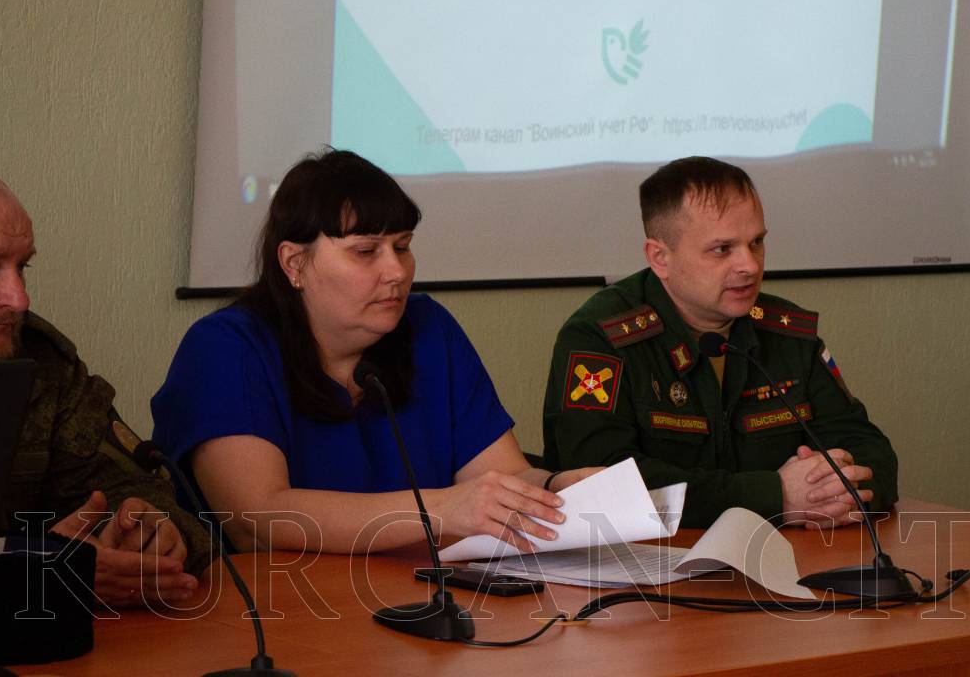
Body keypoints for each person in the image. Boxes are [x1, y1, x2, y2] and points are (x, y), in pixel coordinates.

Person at [152, 149, 596, 555]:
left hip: (423, 596)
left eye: (402, 246)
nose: (396, 271)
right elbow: (259, 520)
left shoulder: (428, 328)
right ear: (294, 263)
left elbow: (501, 476)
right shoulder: (225, 348)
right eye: (366, 251)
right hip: (283, 602)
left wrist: (557, 486)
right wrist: (441, 509)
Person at [542, 156, 900, 529]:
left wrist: (829, 493)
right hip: (646, 558)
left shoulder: (787, 334)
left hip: (787, 551)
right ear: (660, 258)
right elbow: (600, 482)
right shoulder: (601, 337)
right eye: (722, 249)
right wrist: (774, 496)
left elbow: (871, 452)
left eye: (756, 242)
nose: (750, 265)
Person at [0, 159, 211, 608]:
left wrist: (145, 533)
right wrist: (25, 570)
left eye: (22, 266)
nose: (19, 299)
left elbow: (136, 490)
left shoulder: (38, 361)